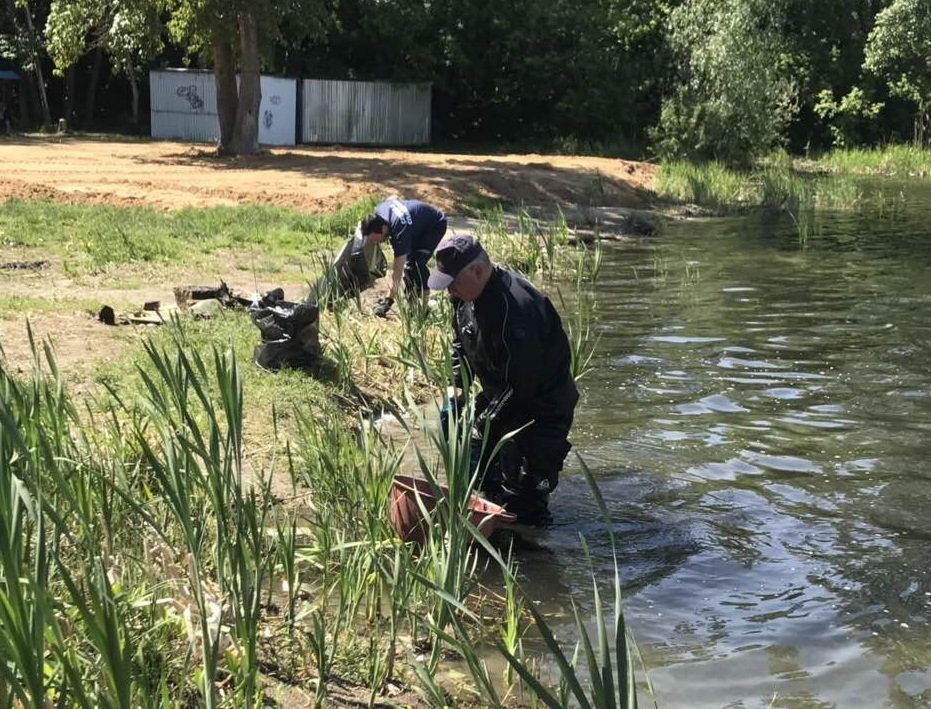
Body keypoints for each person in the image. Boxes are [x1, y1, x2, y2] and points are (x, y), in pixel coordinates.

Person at [427, 234, 579, 525]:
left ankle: (531, 558)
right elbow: (460, 342)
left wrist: (480, 428)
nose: (451, 292)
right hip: (501, 396)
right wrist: (457, 387)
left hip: (542, 410)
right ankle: (491, 533)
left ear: (478, 271)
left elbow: (522, 384)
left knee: (525, 500)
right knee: (489, 481)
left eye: (453, 283)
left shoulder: (517, 308)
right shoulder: (462, 296)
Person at [360, 198, 447, 317]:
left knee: (414, 265)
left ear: (383, 229)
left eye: (375, 239)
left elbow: (397, 271)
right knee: (409, 264)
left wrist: (388, 301)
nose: (375, 243)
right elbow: (392, 197)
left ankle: (424, 307)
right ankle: (413, 301)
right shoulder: (379, 210)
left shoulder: (400, 232)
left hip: (434, 225)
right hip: (416, 223)